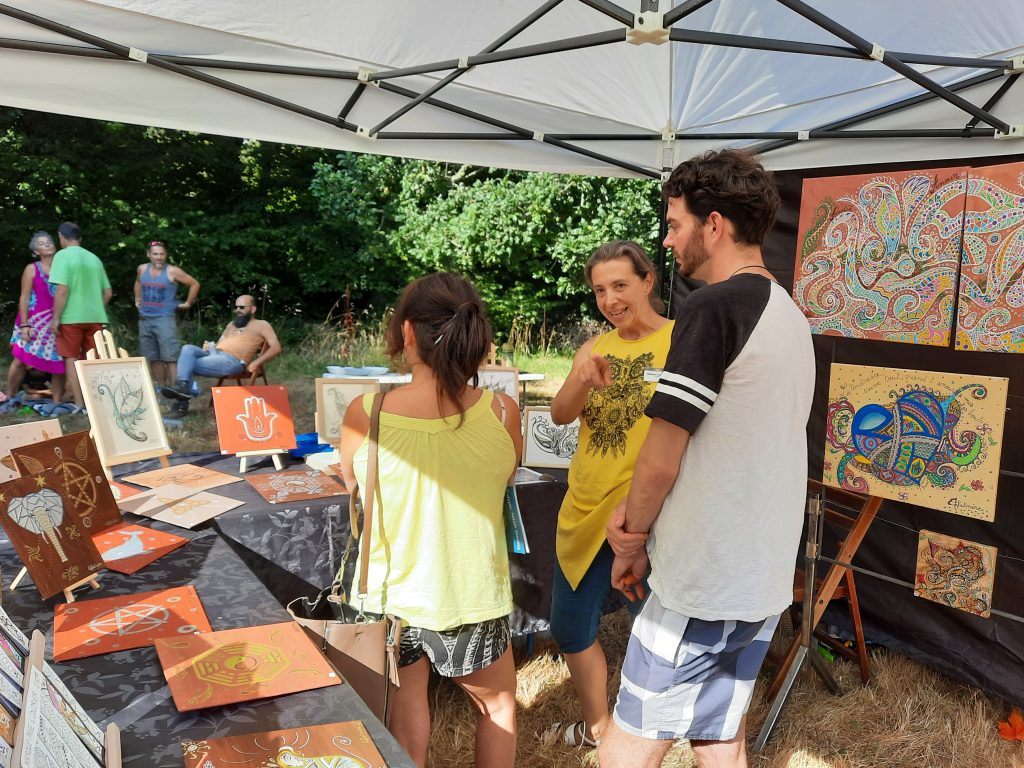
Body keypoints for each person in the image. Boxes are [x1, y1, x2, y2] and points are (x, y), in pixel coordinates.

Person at [600, 149, 815, 768]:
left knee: (629, 743)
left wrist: (630, 537)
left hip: (705, 579)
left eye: (673, 225)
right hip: (758, 573)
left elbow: (661, 457)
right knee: (719, 734)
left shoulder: (714, 308)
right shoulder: (789, 314)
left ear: (713, 225)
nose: (667, 242)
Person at [339, 273, 522, 768]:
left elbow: (352, 485)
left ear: (407, 334)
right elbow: (503, 479)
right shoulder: (504, 412)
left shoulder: (366, 412)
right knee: (498, 705)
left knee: (405, 709)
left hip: (385, 596)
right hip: (468, 595)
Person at [545, 241, 673, 748]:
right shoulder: (596, 346)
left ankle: (650, 729)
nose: (610, 299)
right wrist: (580, 379)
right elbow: (559, 414)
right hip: (584, 507)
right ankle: (600, 726)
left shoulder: (682, 341)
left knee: (654, 630)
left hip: (646, 517)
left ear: (648, 281)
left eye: (620, 285)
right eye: (600, 290)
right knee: (569, 623)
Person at [160, 295, 281, 415]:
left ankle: (181, 402)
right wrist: (209, 347)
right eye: (236, 307)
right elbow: (219, 344)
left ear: (253, 309)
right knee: (187, 349)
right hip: (216, 354)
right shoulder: (231, 325)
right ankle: (183, 387)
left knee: (186, 364)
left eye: (242, 307)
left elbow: (276, 348)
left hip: (233, 361)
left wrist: (257, 362)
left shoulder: (262, 324)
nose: (238, 310)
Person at [48, 221, 113, 412]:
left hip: (70, 318)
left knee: (72, 359)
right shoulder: (94, 258)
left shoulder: (62, 256)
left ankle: (80, 405)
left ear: (61, 236)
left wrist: (56, 318)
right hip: (95, 317)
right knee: (94, 360)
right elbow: (108, 292)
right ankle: (98, 403)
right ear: (80, 238)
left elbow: (62, 290)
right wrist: (95, 308)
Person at [3, 231, 66, 411]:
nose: (47, 244)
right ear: (36, 251)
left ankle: (57, 402)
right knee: (21, 359)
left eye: (49, 241)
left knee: (58, 362)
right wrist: (24, 324)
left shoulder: (64, 267)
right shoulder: (32, 269)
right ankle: (10, 397)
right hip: (32, 322)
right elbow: (24, 297)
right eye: (41, 243)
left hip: (56, 322)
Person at [133, 240, 200, 388]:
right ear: (149, 255)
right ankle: (163, 389)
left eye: (162, 254)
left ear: (166, 255)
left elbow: (194, 284)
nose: (159, 257)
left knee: (170, 357)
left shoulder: (172, 271)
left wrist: (188, 303)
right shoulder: (142, 269)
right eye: (155, 254)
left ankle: (176, 389)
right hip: (144, 319)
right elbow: (138, 283)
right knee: (153, 357)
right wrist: (138, 299)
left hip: (164, 319)